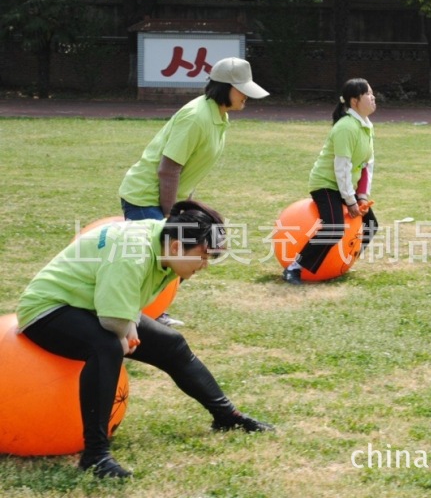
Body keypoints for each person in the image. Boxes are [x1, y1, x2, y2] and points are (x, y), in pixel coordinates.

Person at [16, 200, 273, 479]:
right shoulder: (134, 251)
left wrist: (129, 322)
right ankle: (95, 455)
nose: (204, 266)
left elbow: (121, 296)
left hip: (90, 304)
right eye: (202, 256)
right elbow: (112, 320)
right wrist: (123, 331)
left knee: (171, 344)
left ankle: (227, 416)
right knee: (107, 348)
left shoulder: (164, 243)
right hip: (48, 310)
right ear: (177, 247)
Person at [119, 57, 268, 325]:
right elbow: (168, 169)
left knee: (178, 256)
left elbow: (187, 168)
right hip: (145, 196)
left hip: (167, 197)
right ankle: (135, 316)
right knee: (158, 257)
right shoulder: (196, 116)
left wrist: (185, 205)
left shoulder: (218, 117)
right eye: (241, 89)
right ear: (225, 87)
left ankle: (153, 313)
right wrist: (170, 216)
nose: (246, 95)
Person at [282, 78, 379, 285]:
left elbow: (366, 166)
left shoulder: (366, 127)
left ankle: (345, 260)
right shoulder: (346, 128)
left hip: (344, 187)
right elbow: (341, 168)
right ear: (354, 102)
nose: (373, 97)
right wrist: (350, 201)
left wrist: (361, 197)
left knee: (370, 224)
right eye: (368, 94)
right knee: (334, 227)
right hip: (326, 184)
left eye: (372, 93)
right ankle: (294, 268)